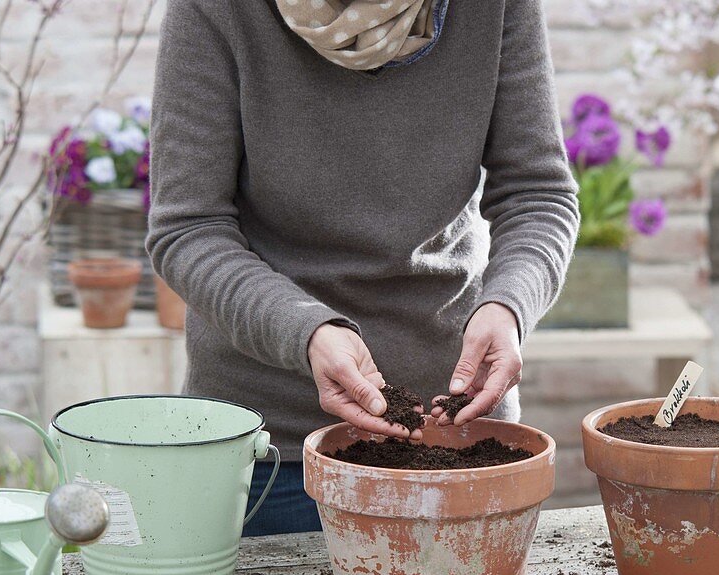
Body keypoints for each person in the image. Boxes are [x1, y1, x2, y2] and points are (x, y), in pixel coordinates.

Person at [147, 0, 579, 535]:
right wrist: (305, 332)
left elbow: (538, 195)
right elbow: (188, 229)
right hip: (270, 453)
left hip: (460, 435)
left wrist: (508, 306)